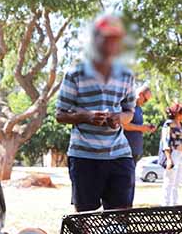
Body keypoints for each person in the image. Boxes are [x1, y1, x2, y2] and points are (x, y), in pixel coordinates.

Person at [56, 14, 137, 212]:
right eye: (106, 38)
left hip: (119, 154)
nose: (111, 44)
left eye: (115, 39)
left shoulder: (126, 75)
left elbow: (129, 112)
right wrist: (87, 116)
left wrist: (119, 118)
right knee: (86, 218)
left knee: (121, 214)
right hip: (84, 156)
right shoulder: (75, 73)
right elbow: (60, 114)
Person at [159, 102, 182, 207]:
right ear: (178, 113)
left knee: (177, 182)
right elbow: (166, 141)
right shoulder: (169, 124)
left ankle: (175, 204)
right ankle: (166, 204)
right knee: (169, 181)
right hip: (173, 154)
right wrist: (168, 158)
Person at [123, 84, 157, 163]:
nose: (145, 102)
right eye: (145, 99)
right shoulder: (128, 104)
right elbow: (124, 125)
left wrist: (146, 127)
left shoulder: (139, 108)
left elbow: (137, 125)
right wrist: (141, 128)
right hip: (125, 150)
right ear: (140, 94)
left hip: (135, 151)